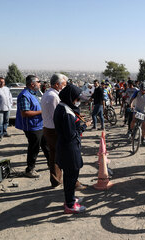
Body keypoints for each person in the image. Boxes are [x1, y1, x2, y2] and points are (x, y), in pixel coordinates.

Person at [54, 84, 91, 213]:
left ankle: (70, 198)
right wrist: (83, 126)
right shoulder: (66, 112)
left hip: (67, 147)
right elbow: (71, 134)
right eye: (77, 99)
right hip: (69, 149)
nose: (78, 101)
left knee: (70, 177)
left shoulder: (63, 107)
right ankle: (70, 205)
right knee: (71, 177)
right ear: (71, 98)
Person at [15, 75, 49, 178]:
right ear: (32, 84)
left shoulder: (33, 94)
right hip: (32, 127)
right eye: (38, 82)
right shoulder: (24, 95)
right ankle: (29, 169)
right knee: (34, 148)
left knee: (46, 146)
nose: (40, 84)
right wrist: (41, 112)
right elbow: (25, 113)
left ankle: (52, 163)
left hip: (39, 125)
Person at [41, 73, 67, 187]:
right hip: (54, 130)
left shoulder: (48, 94)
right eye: (63, 84)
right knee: (61, 155)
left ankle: (55, 179)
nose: (64, 87)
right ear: (57, 84)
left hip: (48, 128)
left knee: (54, 155)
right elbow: (56, 116)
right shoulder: (53, 96)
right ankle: (61, 179)